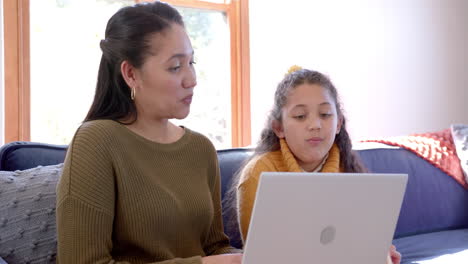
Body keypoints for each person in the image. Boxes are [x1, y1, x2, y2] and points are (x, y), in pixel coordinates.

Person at [56, 1, 242, 263]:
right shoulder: (96, 141)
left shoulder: (201, 149)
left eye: (192, 62)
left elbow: (214, 247)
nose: (192, 79)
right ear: (131, 73)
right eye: (175, 67)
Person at [235, 66, 401, 264]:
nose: (315, 125)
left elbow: (358, 241)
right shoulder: (258, 174)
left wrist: (379, 252)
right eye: (300, 116)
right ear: (279, 128)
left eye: (325, 114)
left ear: (338, 124)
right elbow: (261, 257)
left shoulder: (350, 171)